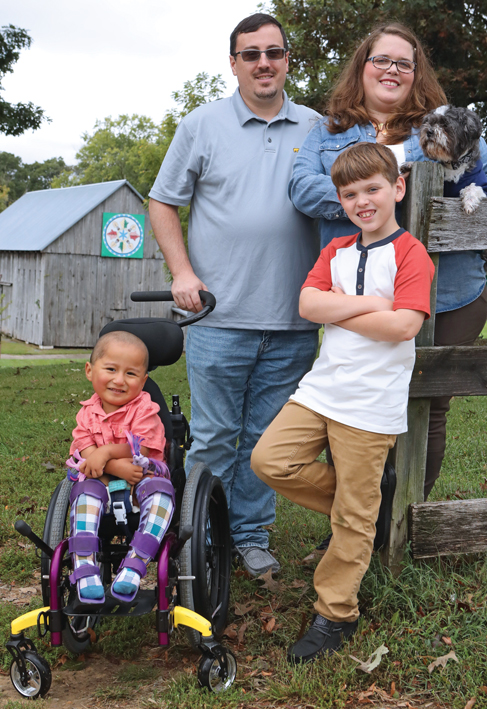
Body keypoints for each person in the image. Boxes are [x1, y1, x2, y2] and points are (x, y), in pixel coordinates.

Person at [288, 22, 487, 499]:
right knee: (347, 405)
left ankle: (409, 520)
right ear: (363, 67)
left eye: (404, 63)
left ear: (416, 73)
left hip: (447, 293)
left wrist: (442, 205)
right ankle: (354, 528)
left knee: (427, 409)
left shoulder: (442, 126)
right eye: (381, 60)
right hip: (358, 296)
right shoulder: (329, 130)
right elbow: (300, 188)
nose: (392, 70)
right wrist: (373, 196)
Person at [148, 13, 321, 576]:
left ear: (288, 59)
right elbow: (162, 201)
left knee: (264, 441)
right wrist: (181, 272)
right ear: (234, 63)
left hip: (295, 317)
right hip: (217, 315)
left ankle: (247, 536)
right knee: (216, 435)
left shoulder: (319, 128)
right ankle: (197, 537)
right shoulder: (201, 125)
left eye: (274, 52)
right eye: (251, 54)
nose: (263, 63)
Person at [251, 142, 434, 663]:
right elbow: (308, 303)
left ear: (397, 188)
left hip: (371, 404)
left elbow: (403, 325)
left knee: (353, 518)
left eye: (372, 188)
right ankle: (367, 508)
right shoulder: (336, 252)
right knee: (270, 460)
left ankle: (336, 613)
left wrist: (341, 311)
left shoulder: (410, 254)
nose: (362, 201)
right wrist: (368, 305)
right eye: (350, 194)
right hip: (322, 389)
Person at [68, 331, 174, 604]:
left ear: (144, 380)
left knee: (162, 495)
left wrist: (105, 453)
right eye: (111, 369)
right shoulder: (87, 412)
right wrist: (113, 466)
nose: (119, 380)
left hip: (143, 480)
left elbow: (143, 448)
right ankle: (85, 567)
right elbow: (85, 451)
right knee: (84, 494)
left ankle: (135, 564)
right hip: (102, 484)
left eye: (131, 374)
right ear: (90, 371)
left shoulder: (145, 410)